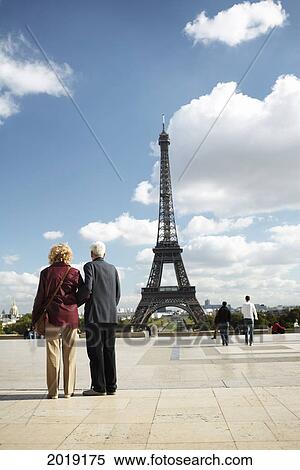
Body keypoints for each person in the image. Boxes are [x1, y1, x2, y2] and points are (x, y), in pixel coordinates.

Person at [32, 244, 85, 399]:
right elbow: (85, 292)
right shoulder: (74, 272)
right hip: (70, 317)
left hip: (51, 317)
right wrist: (74, 303)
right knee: (70, 356)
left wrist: (35, 318)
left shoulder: (45, 273)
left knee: (52, 355)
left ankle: (53, 392)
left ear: (52, 256)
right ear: (68, 255)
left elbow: (40, 298)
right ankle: (68, 391)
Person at [83, 241, 121, 396]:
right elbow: (117, 294)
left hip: (94, 317)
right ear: (104, 254)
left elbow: (88, 288)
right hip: (111, 316)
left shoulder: (89, 266)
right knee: (109, 351)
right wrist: (110, 307)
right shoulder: (113, 268)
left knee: (95, 353)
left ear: (92, 254)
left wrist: (80, 302)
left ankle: (99, 387)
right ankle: (111, 386)